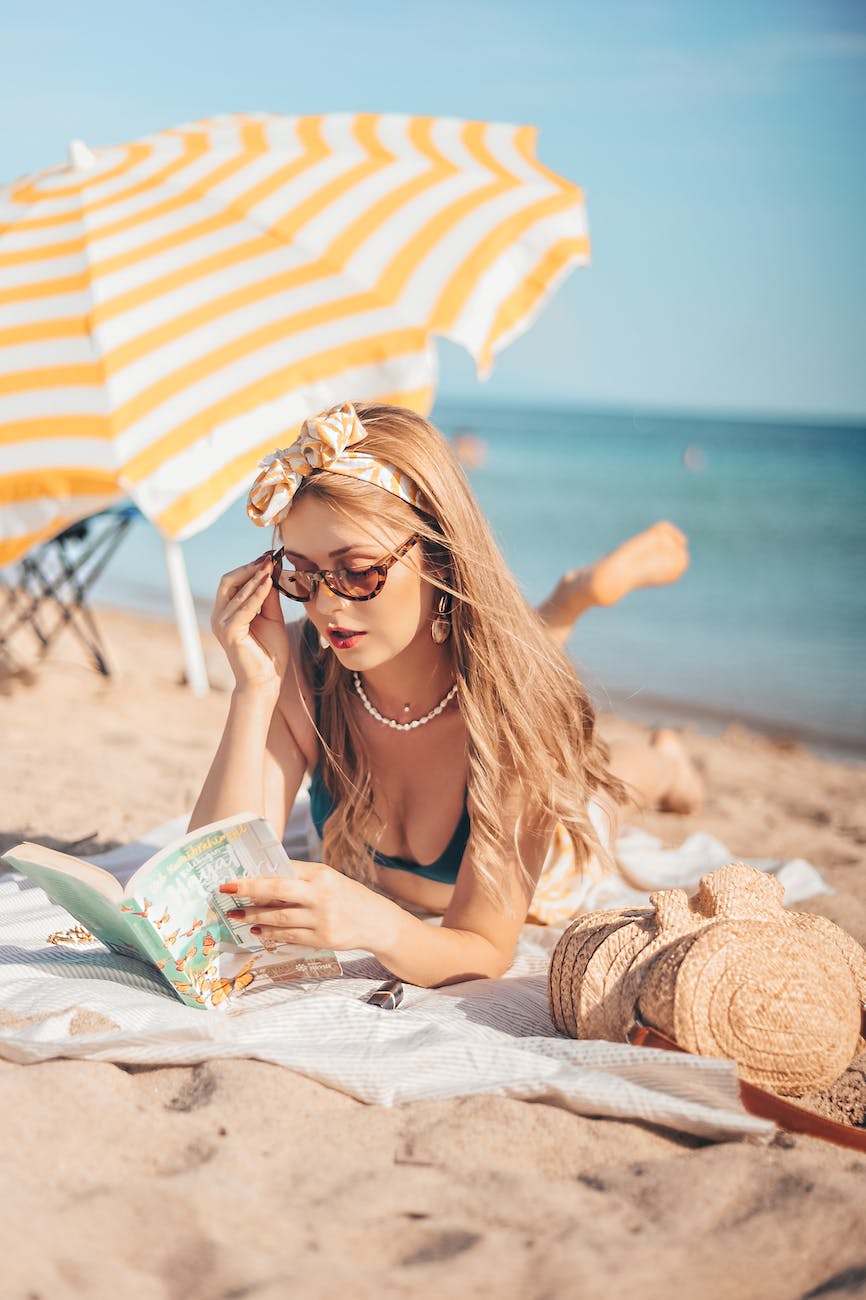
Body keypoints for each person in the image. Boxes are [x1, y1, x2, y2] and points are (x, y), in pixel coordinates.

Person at [190, 401, 699, 986]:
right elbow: (209, 889)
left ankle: (668, 756)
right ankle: (557, 612)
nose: (327, 604)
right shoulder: (304, 667)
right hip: (470, 662)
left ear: (440, 557)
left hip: (547, 846)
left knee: (605, 787)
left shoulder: (515, 715)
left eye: (357, 570)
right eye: (301, 573)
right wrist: (252, 690)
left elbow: (483, 948)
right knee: (515, 666)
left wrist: (377, 926)